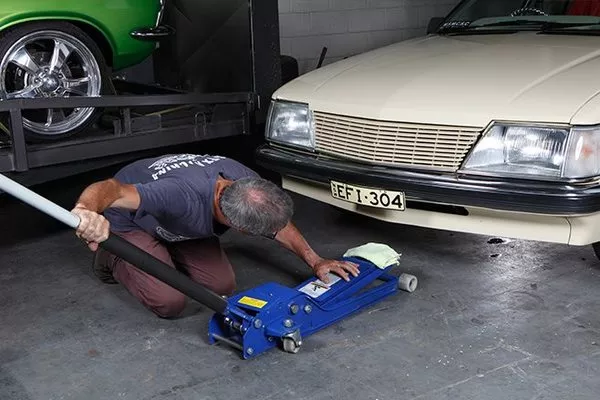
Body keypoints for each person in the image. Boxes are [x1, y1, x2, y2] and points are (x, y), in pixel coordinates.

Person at [71, 153, 359, 318]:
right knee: (170, 303)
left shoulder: (248, 185)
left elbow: (277, 222)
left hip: (177, 222)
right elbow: (110, 188)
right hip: (131, 221)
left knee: (221, 284)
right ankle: (111, 256)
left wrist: (315, 260)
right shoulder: (179, 196)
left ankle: (166, 246)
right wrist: (87, 211)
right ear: (237, 227)